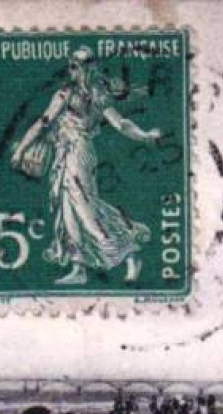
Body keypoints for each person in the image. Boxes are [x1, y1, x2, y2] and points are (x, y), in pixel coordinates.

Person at [9, 46, 161, 286]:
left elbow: (120, 124)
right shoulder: (74, 93)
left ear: (88, 67)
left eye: (78, 66)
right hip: (65, 154)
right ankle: (79, 267)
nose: (74, 70)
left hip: (78, 154)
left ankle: (129, 253)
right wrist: (22, 149)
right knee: (71, 208)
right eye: (73, 65)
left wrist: (144, 136)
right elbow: (44, 122)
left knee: (84, 210)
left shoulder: (89, 95)